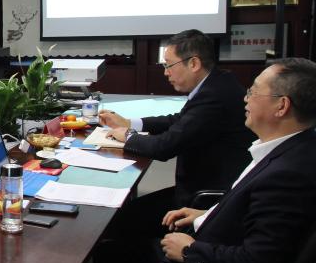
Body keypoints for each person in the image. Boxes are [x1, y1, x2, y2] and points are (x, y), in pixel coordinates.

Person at [65, 58, 316, 263]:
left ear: (281, 106)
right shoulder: (290, 149)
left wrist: (189, 250)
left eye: (254, 91)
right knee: (111, 254)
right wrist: (205, 213)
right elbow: (253, 211)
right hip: (212, 248)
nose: (244, 98)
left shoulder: (289, 174)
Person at [97, 29, 254, 251]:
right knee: (122, 215)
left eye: (169, 65)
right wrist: (131, 123)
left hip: (203, 200)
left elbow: (165, 147)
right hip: (202, 189)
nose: (165, 72)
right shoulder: (217, 83)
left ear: (194, 63)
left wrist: (129, 136)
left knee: (115, 223)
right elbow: (179, 120)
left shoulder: (214, 96)